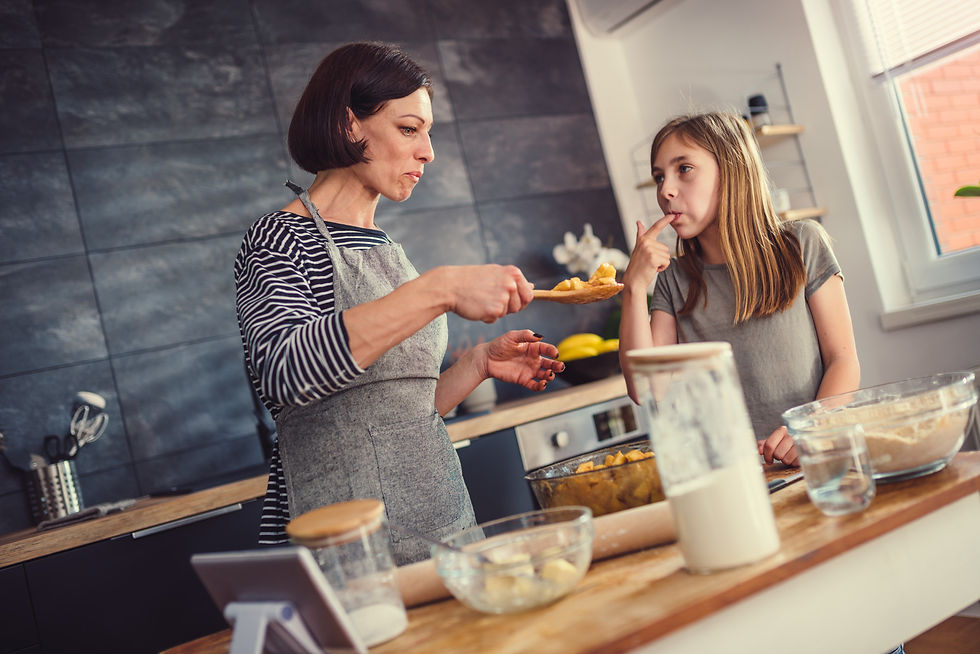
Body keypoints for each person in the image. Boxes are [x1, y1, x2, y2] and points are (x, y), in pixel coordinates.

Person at [235, 42, 564, 565]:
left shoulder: (386, 248)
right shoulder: (279, 238)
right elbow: (286, 373)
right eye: (410, 129)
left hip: (443, 528)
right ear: (349, 125)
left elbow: (396, 416)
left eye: (428, 133)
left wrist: (477, 364)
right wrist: (440, 289)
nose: (428, 152)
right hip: (351, 551)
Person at [618, 112, 860, 467]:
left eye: (684, 169)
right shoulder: (673, 279)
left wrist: (811, 427)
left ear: (731, 170)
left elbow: (843, 360)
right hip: (733, 473)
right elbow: (646, 390)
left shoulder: (803, 244)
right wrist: (634, 287)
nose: (665, 190)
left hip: (820, 458)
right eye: (659, 177)